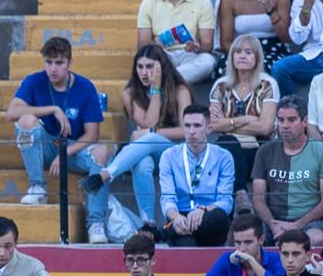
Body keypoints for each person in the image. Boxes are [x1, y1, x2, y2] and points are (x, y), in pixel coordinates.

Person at [4, 36, 110, 243]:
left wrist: (64, 155)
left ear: (70, 63)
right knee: (26, 120)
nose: (53, 68)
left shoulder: (85, 87)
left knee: (102, 152)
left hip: (73, 149)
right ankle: (37, 187)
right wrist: (53, 109)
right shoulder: (34, 80)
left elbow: (92, 134)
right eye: (49, 62)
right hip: (44, 146)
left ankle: (96, 223)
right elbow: (11, 111)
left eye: (59, 63)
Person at [80, 45, 190, 227]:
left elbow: (186, 131)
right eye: (140, 67)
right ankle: (149, 222)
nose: (145, 72)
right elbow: (148, 122)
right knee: (142, 163)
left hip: (173, 150)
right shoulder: (129, 93)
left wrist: (153, 133)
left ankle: (107, 173)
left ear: (161, 67)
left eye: (150, 66)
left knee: (150, 138)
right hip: (144, 152)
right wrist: (155, 92)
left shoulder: (180, 90)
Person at [210, 35, 279, 214]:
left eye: (248, 52)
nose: (242, 56)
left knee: (228, 142)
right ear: (231, 56)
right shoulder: (220, 86)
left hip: (260, 150)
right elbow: (214, 126)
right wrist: (246, 119)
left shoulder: (267, 84)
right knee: (228, 144)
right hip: (230, 151)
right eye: (238, 52)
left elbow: (265, 128)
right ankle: (240, 194)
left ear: (257, 58)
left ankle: (240, 197)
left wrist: (228, 123)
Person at [158, 104, 235, 246]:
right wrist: (176, 217)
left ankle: (163, 233)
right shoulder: (168, 156)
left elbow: (226, 201)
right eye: (187, 126)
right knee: (186, 241)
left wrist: (202, 210)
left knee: (220, 217)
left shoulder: (224, 157)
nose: (191, 131)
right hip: (180, 217)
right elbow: (167, 198)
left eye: (197, 126)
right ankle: (174, 229)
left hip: (209, 219)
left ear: (209, 128)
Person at [252, 95, 323, 247]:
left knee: (316, 239)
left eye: (291, 120)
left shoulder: (320, 151)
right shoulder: (265, 151)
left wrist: (297, 225)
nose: (284, 125)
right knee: (247, 240)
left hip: (310, 222)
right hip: (273, 220)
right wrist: (273, 225)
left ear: (304, 122)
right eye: (280, 120)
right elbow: (258, 199)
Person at [193, 213, 283, 276]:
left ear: (261, 240)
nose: (242, 249)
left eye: (248, 242)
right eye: (238, 242)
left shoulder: (275, 259)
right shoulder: (227, 259)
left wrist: (251, 261)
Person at [215, 0, 292, 78]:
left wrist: (269, 8)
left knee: (266, 67)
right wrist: (245, 54)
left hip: (273, 49)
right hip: (241, 48)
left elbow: (287, 37)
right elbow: (225, 43)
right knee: (226, 67)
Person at [272, 0, 323, 95]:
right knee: (280, 69)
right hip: (315, 56)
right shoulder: (301, 0)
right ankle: (292, 110)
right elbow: (297, 39)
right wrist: (307, 7)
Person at [257, 228, 323, 276]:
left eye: (296, 254)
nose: (290, 260)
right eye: (285, 254)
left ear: (307, 256)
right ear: (280, 255)